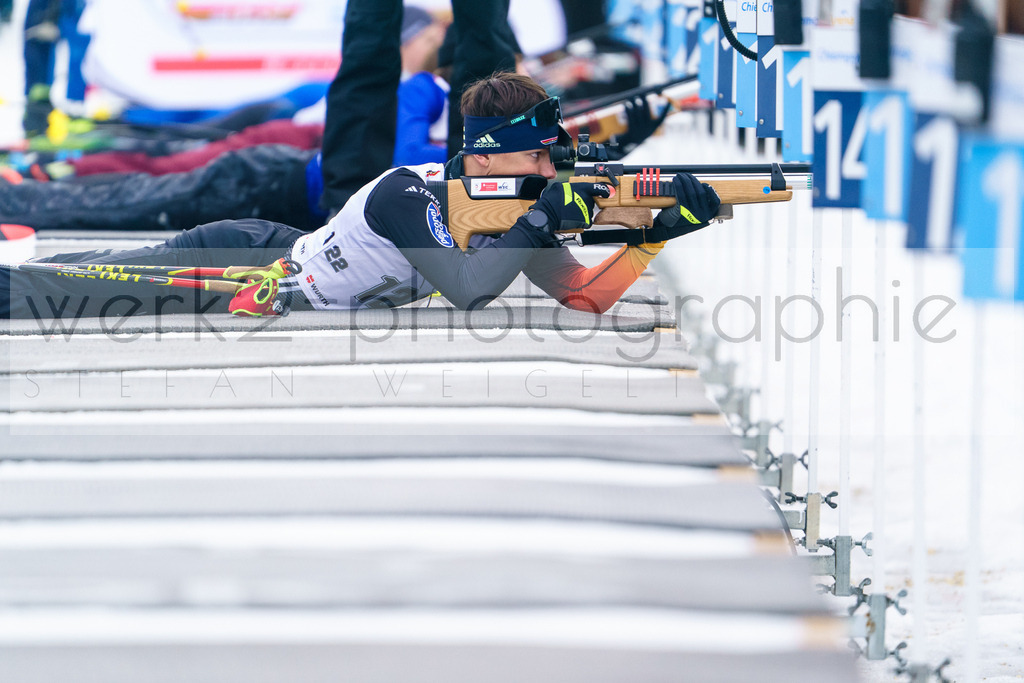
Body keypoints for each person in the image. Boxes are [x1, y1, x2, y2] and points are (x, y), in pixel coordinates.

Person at [1, 73, 719, 320]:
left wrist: (654, 236)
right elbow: (471, 289)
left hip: (267, 261)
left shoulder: (507, 215)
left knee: (70, 277)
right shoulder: (410, 190)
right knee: (62, 287)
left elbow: (585, 296)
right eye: (539, 154)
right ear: (495, 152)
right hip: (244, 260)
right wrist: (544, 216)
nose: (548, 167)